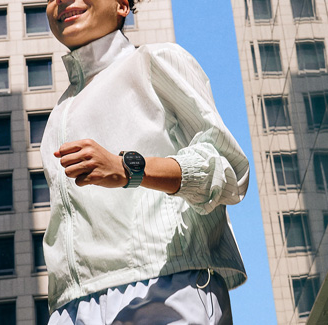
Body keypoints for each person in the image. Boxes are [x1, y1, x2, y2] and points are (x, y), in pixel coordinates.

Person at [40, 0, 250, 324]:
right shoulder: (58, 113)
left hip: (165, 287)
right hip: (71, 307)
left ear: (123, 5)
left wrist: (128, 168)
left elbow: (227, 170)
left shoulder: (156, 60)